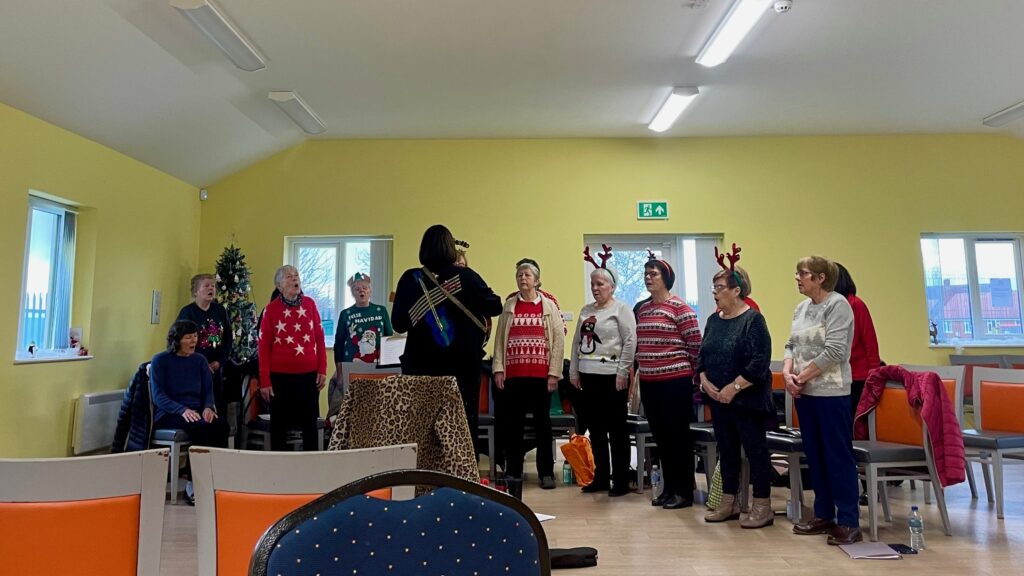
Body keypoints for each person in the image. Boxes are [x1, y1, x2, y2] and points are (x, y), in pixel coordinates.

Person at [391, 224, 503, 448]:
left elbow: (398, 324)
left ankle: (423, 478)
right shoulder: (465, 277)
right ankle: (461, 478)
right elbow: (495, 306)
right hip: (461, 369)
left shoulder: (409, 279)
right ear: (450, 248)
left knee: (421, 428)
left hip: (420, 367)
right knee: (461, 426)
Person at [784, 256, 861, 545]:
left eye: (802, 273)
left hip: (831, 393)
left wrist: (800, 378)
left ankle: (849, 521)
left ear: (820, 278)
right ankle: (824, 514)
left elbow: (836, 351)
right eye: (797, 273)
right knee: (815, 457)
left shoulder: (837, 304)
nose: (797, 278)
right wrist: (788, 373)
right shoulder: (801, 308)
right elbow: (790, 343)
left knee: (837, 457)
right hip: (805, 393)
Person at [696, 259, 774, 527]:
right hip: (718, 400)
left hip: (747, 400)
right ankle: (729, 502)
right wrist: (704, 380)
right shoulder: (712, 321)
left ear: (736, 290)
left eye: (719, 287)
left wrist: (734, 387)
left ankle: (762, 506)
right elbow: (702, 356)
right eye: (713, 287)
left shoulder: (753, 320)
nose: (715, 292)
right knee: (726, 451)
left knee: (755, 452)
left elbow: (760, 362)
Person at [492, 258, 566, 493]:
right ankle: (513, 471)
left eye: (527, 275)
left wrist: (554, 373)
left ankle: (545, 472)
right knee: (513, 425)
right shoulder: (509, 306)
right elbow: (499, 340)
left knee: (542, 424)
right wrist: (499, 368)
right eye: (520, 275)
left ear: (536, 279)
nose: (523, 278)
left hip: (541, 376)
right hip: (514, 376)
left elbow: (558, 341)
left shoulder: (549, 306)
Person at [635, 254, 702, 509]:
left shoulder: (680, 308)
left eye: (654, 274)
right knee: (661, 438)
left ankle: (683, 491)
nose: (648, 278)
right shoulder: (643, 308)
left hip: (675, 381)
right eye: (646, 274)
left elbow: (695, 345)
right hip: (650, 382)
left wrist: (695, 379)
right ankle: (668, 488)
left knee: (678, 437)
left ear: (666, 279)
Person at [569, 247, 636, 496]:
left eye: (600, 284)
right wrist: (574, 371)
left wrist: (623, 372)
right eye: (592, 283)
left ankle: (619, 480)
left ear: (612, 287)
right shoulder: (586, 310)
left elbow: (630, 341)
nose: (595, 288)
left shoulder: (621, 310)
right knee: (595, 429)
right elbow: (576, 342)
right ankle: (600, 477)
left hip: (612, 377)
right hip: (588, 375)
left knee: (616, 429)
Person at [150, 320, 229, 504]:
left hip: (197, 411)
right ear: (176, 340)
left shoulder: (200, 361)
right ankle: (193, 486)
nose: (193, 341)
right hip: (170, 413)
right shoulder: (160, 361)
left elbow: (207, 391)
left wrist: (208, 407)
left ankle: (217, 480)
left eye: (195, 336)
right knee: (201, 428)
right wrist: (182, 410)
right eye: (188, 337)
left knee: (220, 426)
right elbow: (158, 396)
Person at [258, 265, 327, 451]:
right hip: (280, 377)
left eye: (296, 275)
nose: (295, 279)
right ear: (279, 286)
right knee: (280, 426)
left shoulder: (310, 304)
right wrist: (265, 381)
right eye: (289, 277)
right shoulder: (270, 310)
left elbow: (320, 338)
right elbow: (263, 347)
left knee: (309, 424)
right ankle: (280, 469)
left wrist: (322, 369)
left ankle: (311, 467)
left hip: (308, 375)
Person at [176, 274, 232, 417]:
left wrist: (219, 362)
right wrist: (200, 363)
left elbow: (227, 339)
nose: (211, 288)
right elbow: (180, 342)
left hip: (216, 369)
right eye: (206, 286)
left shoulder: (220, 311)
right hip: (194, 370)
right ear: (196, 291)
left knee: (216, 407)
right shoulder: (187, 312)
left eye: (213, 286)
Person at [333, 273, 394, 370]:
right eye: (357, 289)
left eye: (365, 288)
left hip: (378, 367)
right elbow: (339, 345)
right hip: (351, 367)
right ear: (352, 293)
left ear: (370, 291)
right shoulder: (345, 314)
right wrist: (339, 373)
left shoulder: (381, 311)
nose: (361, 290)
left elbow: (389, 339)